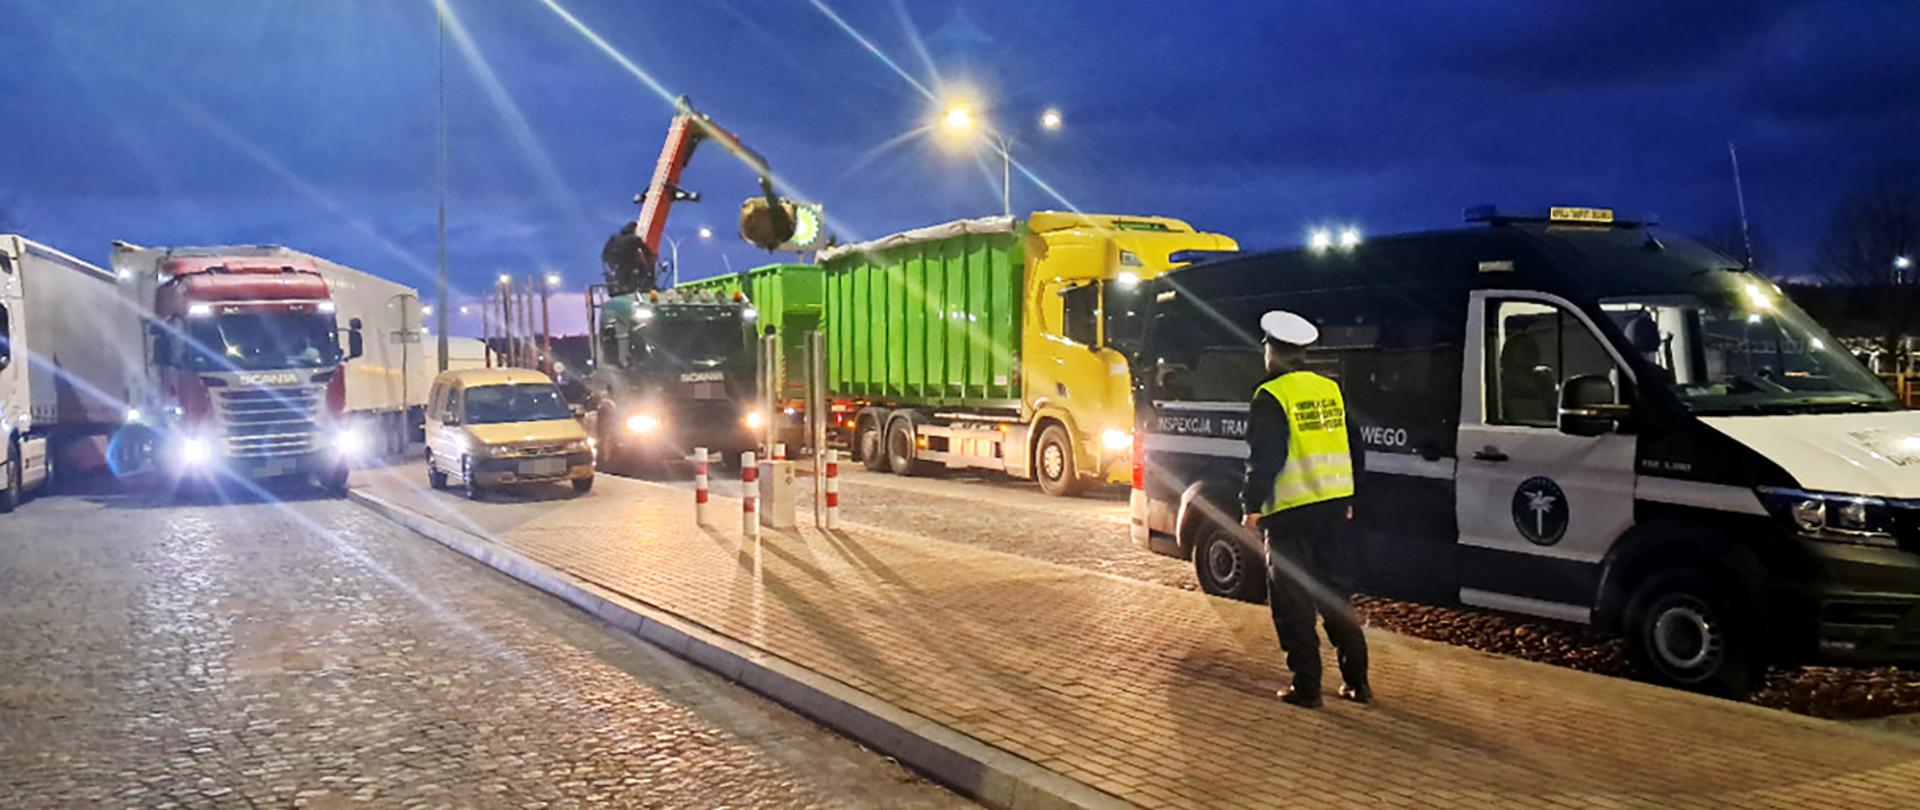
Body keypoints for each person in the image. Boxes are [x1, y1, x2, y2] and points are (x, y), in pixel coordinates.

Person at [1239, 310, 1369, 709]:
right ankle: (1357, 683)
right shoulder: (1329, 389)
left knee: (1292, 603)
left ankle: (1307, 687)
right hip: (1332, 508)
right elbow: (1354, 447)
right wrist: (1349, 497)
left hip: (1290, 512)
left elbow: (1266, 457)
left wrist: (1251, 505)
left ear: (1272, 352)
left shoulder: (1270, 395)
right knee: (1334, 596)